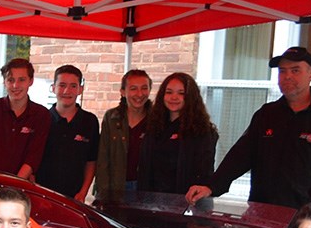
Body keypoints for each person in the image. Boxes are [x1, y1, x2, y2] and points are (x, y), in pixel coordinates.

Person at [188, 47, 311, 228]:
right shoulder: (266, 114)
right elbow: (240, 156)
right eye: (282, 71)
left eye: (295, 70)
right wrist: (211, 186)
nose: (287, 76)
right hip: (265, 216)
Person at [138, 72, 218, 195]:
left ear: (190, 97)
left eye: (181, 93)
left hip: (185, 202)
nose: (173, 97)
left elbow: (204, 175)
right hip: (150, 201)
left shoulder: (202, 131)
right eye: (169, 92)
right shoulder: (153, 126)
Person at [0, 59, 50, 181]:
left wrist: (14, 185)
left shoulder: (41, 114)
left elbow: (33, 157)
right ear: (4, 82)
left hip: (20, 185)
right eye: (10, 80)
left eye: (21, 80)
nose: (15, 85)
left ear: (31, 81)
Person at [36, 65, 99, 201]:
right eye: (62, 85)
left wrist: (83, 193)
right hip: (42, 196)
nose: (67, 91)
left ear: (80, 89)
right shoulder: (42, 119)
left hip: (75, 198)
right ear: (53, 88)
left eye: (73, 86)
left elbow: (91, 161)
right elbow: (32, 160)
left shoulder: (90, 121)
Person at [94, 70, 152, 201]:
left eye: (144, 88)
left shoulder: (157, 119)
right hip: (116, 187)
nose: (139, 94)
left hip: (146, 189)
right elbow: (103, 158)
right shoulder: (112, 117)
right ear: (122, 92)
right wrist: (103, 191)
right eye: (133, 89)